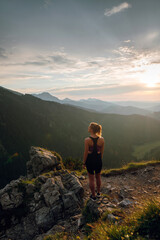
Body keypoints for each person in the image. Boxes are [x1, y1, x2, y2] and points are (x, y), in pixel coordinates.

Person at [83, 122, 105, 201]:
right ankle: (99, 193)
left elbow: (86, 152)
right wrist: (99, 159)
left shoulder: (87, 140)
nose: (88, 128)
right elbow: (102, 152)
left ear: (91, 129)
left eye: (89, 127)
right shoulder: (102, 139)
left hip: (90, 160)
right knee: (98, 176)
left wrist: (84, 163)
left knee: (91, 178)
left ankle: (93, 196)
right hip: (98, 160)